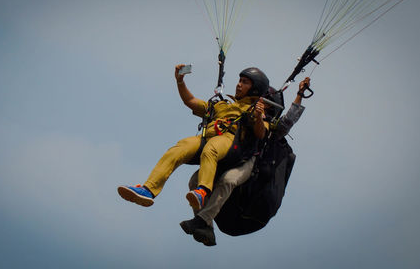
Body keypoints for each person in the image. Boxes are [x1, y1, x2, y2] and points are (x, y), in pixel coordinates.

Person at [117, 64, 270, 210]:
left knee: (211, 148)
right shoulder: (222, 105)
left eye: (245, 82)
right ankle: (148, 189)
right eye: (239, 81)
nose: (238, 85)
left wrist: (257, 115)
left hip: (229, 142)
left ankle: (202, 191)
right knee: (180, 147)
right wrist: (180, 82)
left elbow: (260, 133)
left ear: (255, 90)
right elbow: (190, 101)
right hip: (207, 138)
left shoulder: (254, 110)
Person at [180, 77, 311, 246]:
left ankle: (202, 220)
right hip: (232, 159)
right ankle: (206, 227)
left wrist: (300, 94)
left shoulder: (271, 127)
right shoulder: (243, 117)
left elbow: (289, 120)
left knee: (228, 180)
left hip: (251, 166)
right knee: (194, 181)